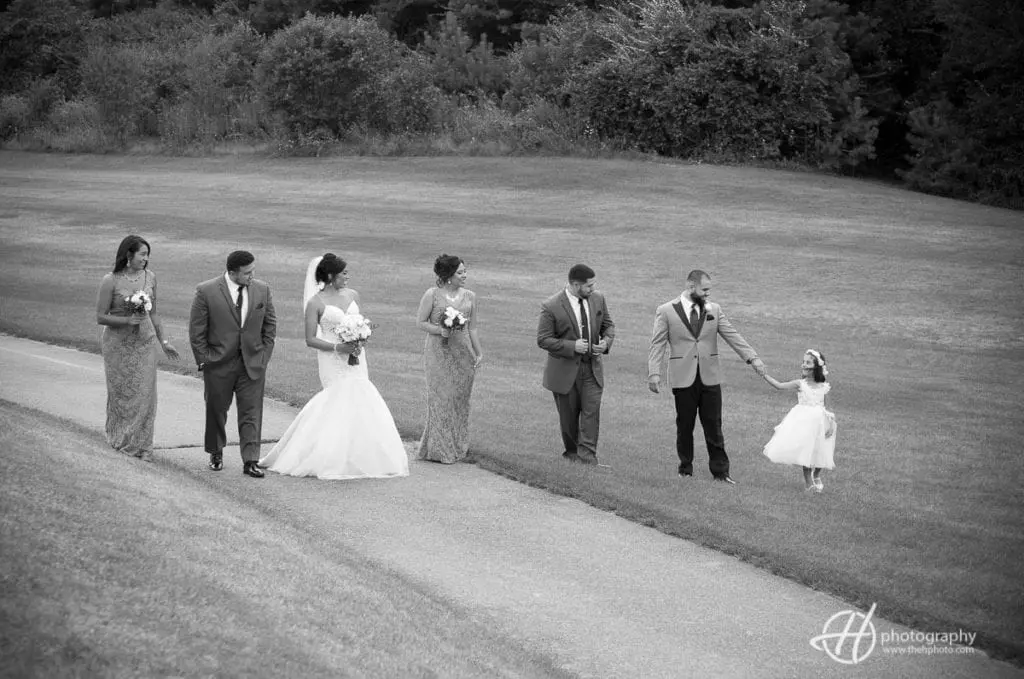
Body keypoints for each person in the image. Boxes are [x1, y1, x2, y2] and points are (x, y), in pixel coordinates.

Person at [258, 254, 409, 479]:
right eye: (344, 273)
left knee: (361, 396)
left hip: (357, 357)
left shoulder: (353, 295)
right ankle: (327, 456)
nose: (348, 277)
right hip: (332, 359)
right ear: (330, 276)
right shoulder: (316, 303)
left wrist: (361, 339)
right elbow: (310, 339)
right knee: (337, 399)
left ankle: (360, 456)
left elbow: (361, 323)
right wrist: (340, 348)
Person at [647, 269, 764, 484]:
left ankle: (721, 472)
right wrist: (654, 373)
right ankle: (685, 469)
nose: (708, 294)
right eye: (705, 289)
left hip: (710, 377)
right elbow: (658, 344)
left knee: (714, 424)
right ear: (691, 287)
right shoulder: (666, 311)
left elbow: (732, 335)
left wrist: (752, 358)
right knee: (685, 425)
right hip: (683, 377)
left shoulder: (715, 310)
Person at [188, 250, 276, 478]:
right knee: (216, 410)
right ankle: (216, 452)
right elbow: (197, 330)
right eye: (247, 273)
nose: (252, 276)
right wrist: (204, 360)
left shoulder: (262, 289)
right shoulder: (206, 290)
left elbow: (270, 326)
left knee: (252, 413)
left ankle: (250, 460)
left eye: (253, 271)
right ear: (232, 273)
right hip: (218, 363)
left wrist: (264, 356)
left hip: (253, 363)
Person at [96, 235, 179, 461]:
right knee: (122, 393)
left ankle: (143, 447)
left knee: (146, 395)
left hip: (145, 341)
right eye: (142, 254)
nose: (146, 258)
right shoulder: (110, 280)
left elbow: (154, 313)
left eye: (147, 254)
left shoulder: (150, 277)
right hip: (117, 345)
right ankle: (122, 438)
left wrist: (164, 341)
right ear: (128, 255)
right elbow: (100, 316)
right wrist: (125, 321)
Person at [537, 264, 615, 465]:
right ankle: (572, 454)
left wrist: (605, 342)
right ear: (575, 284)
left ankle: (588, 458)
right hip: (565, 371)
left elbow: (608, 326)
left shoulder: (598, 298)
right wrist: (573, 346)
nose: (593, 289)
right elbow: (543, 339)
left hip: (592, 368)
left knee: (591, 413)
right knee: (569, 418)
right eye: (589, 286)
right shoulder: (551, 305)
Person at [416, 254, 483, 464]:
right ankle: (438, 449)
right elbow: (420, 322)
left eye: (465, 271)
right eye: (460, 272)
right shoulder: (432, 294)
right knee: (441, 398)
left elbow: (472, 328)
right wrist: (440, 330)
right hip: (437, 353)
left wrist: (478, 352)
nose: (465, 275)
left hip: (462, 353)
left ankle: (458, 446)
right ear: (448, 276)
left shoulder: (470, 296)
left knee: (459, 399)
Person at [761, 349, 837, 492]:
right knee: (808, 450)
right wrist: (764, 374)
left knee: (821, 450)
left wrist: (831, 424)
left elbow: (828, 407)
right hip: (805, 421)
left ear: (816, 367)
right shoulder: (800, 384)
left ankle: (817, 474)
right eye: (803, 362)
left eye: (808, 362)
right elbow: (779, 386)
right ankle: (809, 483)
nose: (803, 365)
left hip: (821, 421)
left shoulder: (824, 386)